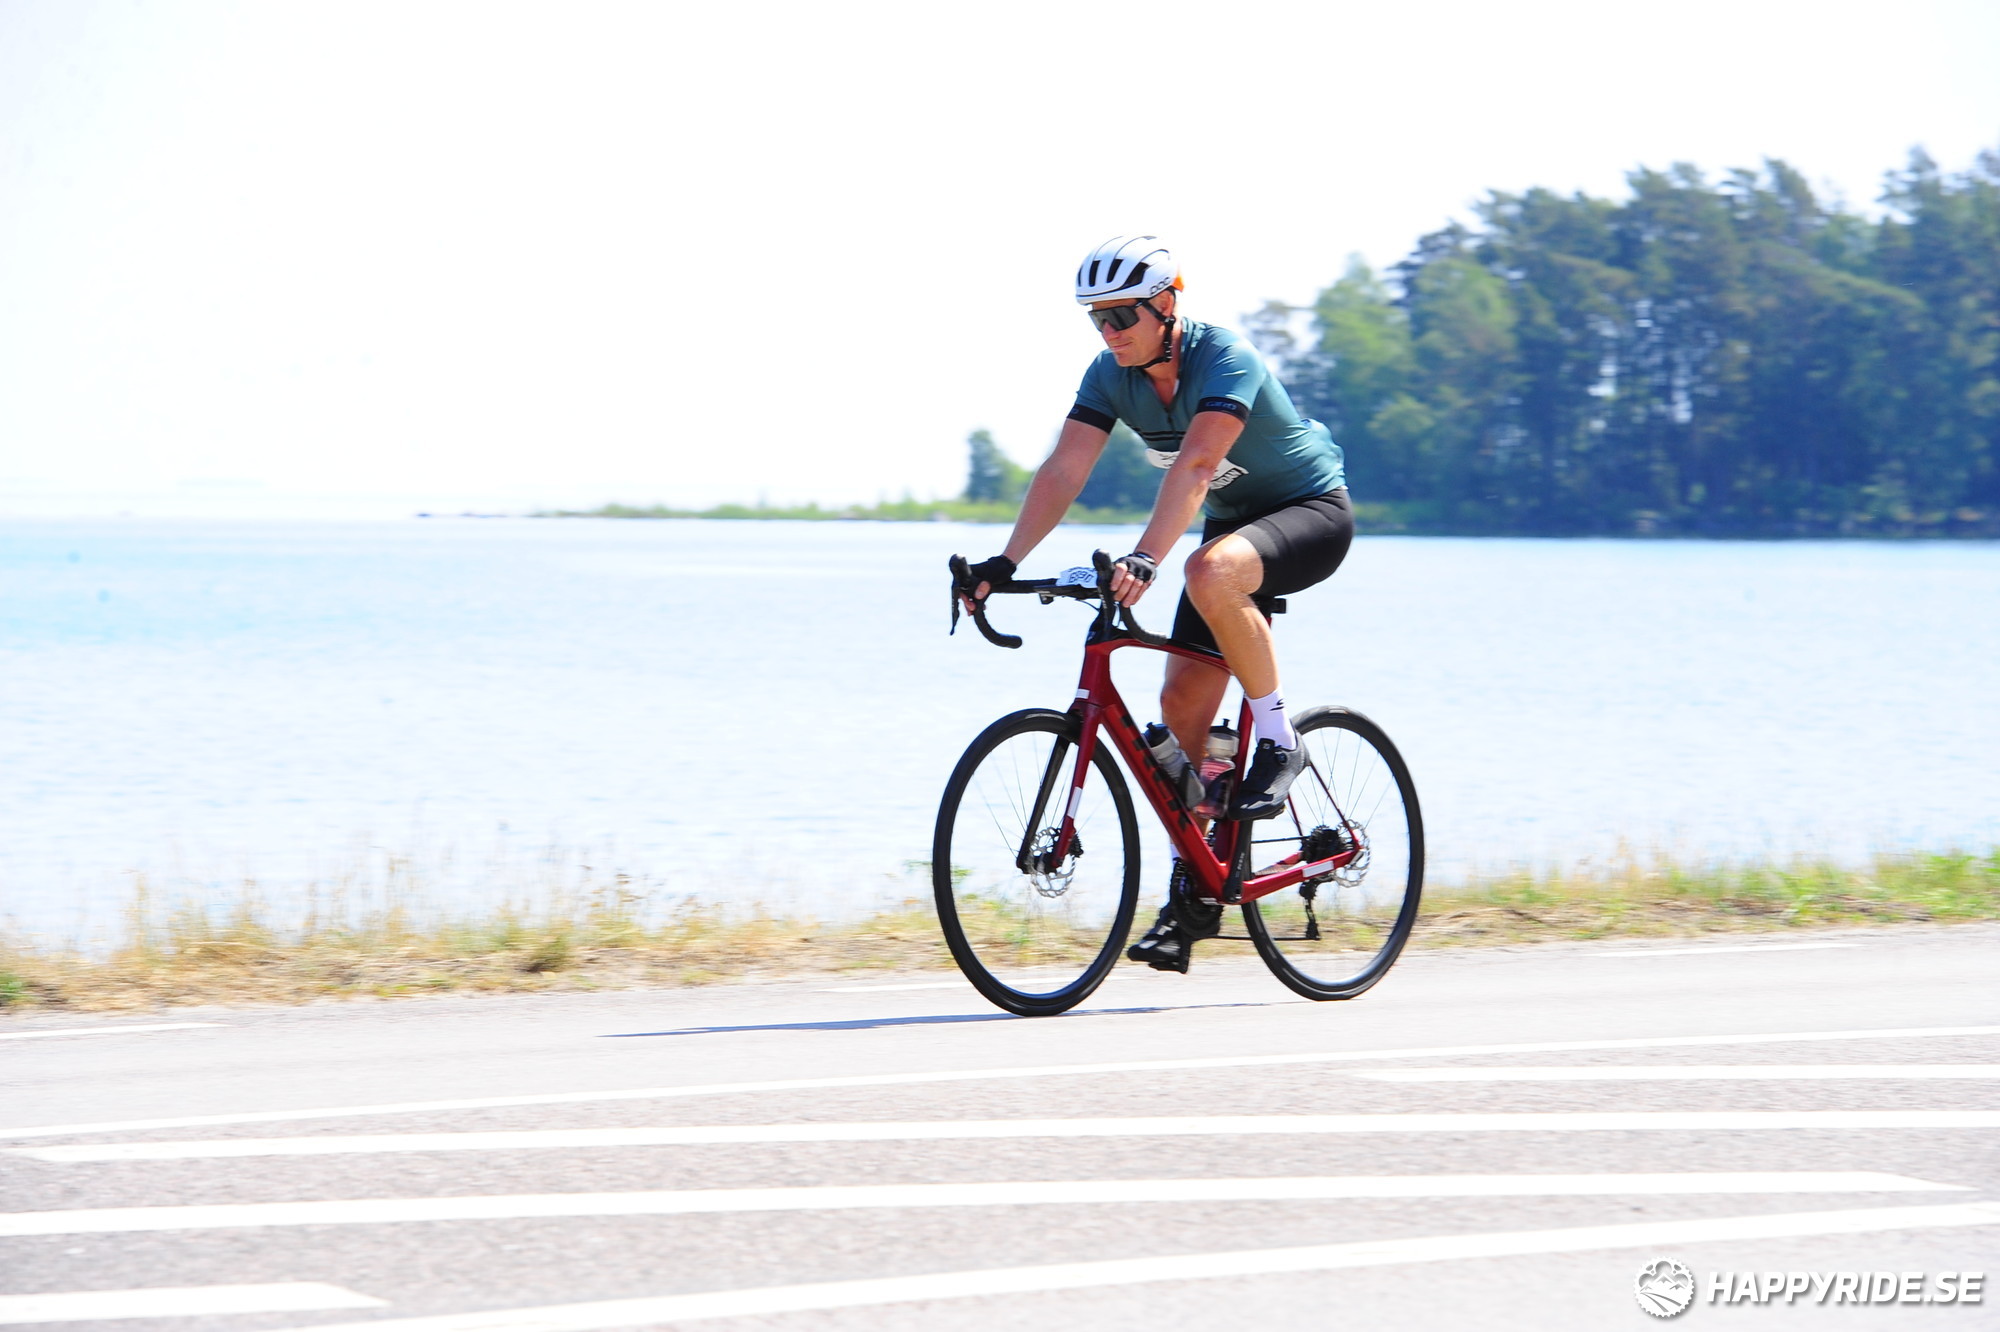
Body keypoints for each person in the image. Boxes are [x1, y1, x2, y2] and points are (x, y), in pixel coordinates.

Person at [961, 235, 1354, 972]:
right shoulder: (1111, 375)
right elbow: (1065, 467)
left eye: (1122, 317)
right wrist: (1005, 563)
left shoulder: (1224, 357)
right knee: (1179, 712)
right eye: (1097, 320)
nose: (1109, 333)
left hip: (1310, 513)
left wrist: (1146, 557)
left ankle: (1279, 739)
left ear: (1166, 304)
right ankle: (1196, 892)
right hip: (1232, 532)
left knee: (1209, 569)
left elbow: (1199, 464)